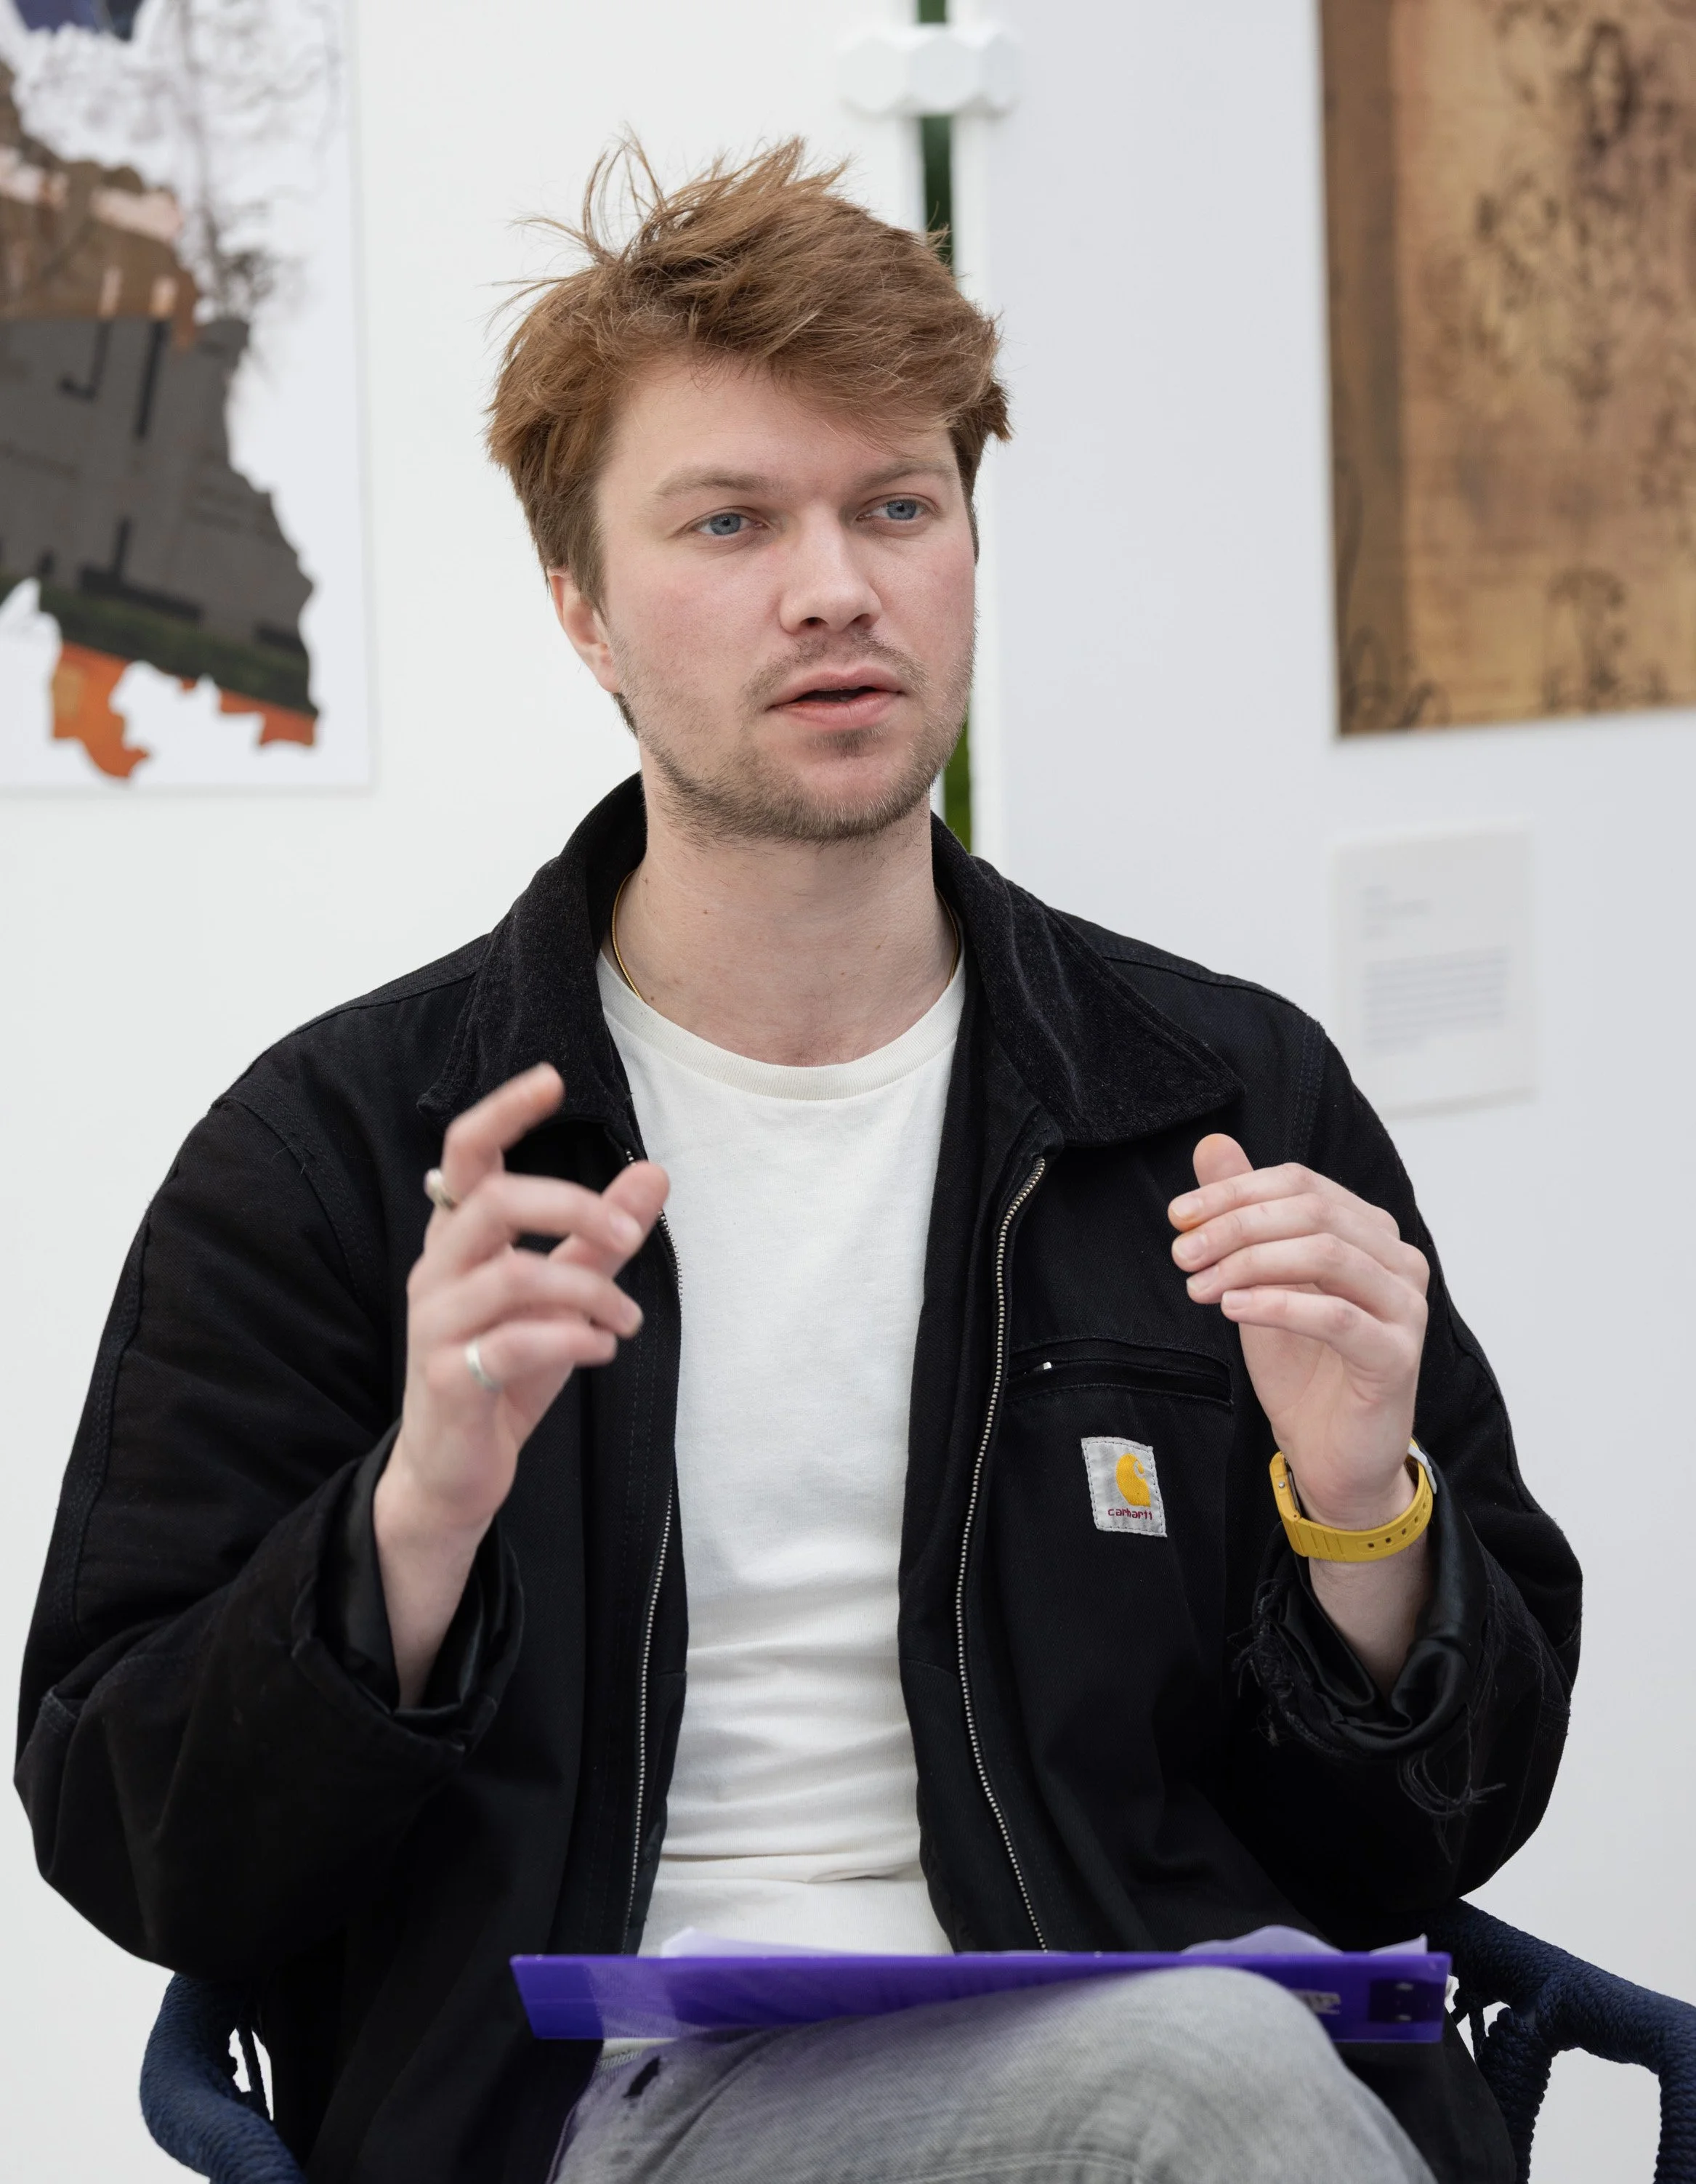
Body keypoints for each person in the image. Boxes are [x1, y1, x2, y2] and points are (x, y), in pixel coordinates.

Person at [17, 142, 1579, 2184]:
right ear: (579, 605)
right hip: (591, 2115)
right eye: (730, 519)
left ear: (963, 551)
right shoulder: (346, 1151)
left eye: (894, 507)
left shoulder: (1216, 1096)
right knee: (1202, 2084)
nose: (832, 583)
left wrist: (1365, 1520)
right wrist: (414, 1520)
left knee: (1205, 2068)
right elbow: (142, 1843)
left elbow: (1427, 1835)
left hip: (1166, 2043)